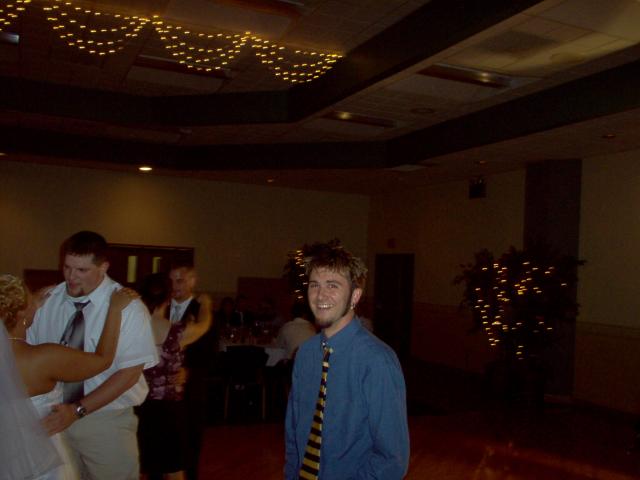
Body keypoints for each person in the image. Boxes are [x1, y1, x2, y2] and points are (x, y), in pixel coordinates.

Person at [27, 231, 158, 480]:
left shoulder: (128, 307)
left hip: (105, 419)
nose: (71, 277)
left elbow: (129, 374)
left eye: (82, 270)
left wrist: (77, 410)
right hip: (53, 417)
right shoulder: (47, 301)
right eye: (67, 267)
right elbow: (29, 354)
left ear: (103, 267)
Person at [284, 241, 410, 479]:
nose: (320, 295)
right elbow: (293, 433)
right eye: (315, 285)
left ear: (355, 296)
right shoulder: (305, 354)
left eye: (333, 285)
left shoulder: (377, 361)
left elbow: (393, 459)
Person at [2, 273, 137, 479]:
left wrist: (29, 305)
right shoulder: (42, 357)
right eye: (30, 302)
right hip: (40, 457)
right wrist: (114, 310)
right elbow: (103, 360)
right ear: (20, 313)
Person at [136, 270, 211, 480]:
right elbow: (203, 325)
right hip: (168, 409)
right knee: (174, 467)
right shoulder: (175, 332)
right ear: (167, 299)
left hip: (140, 405)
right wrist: (205, 306)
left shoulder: (132, 329)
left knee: (143, 463)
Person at [168, 264, 213, 480]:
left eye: (180, 280)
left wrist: (190, 372)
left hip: (191, 392)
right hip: (159, 392)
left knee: (190, 443)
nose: (174, 286)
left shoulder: (203, 311)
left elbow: (210, 354)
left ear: (192, 282)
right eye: (171, 281)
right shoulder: (159, 307)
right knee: (160, 444)